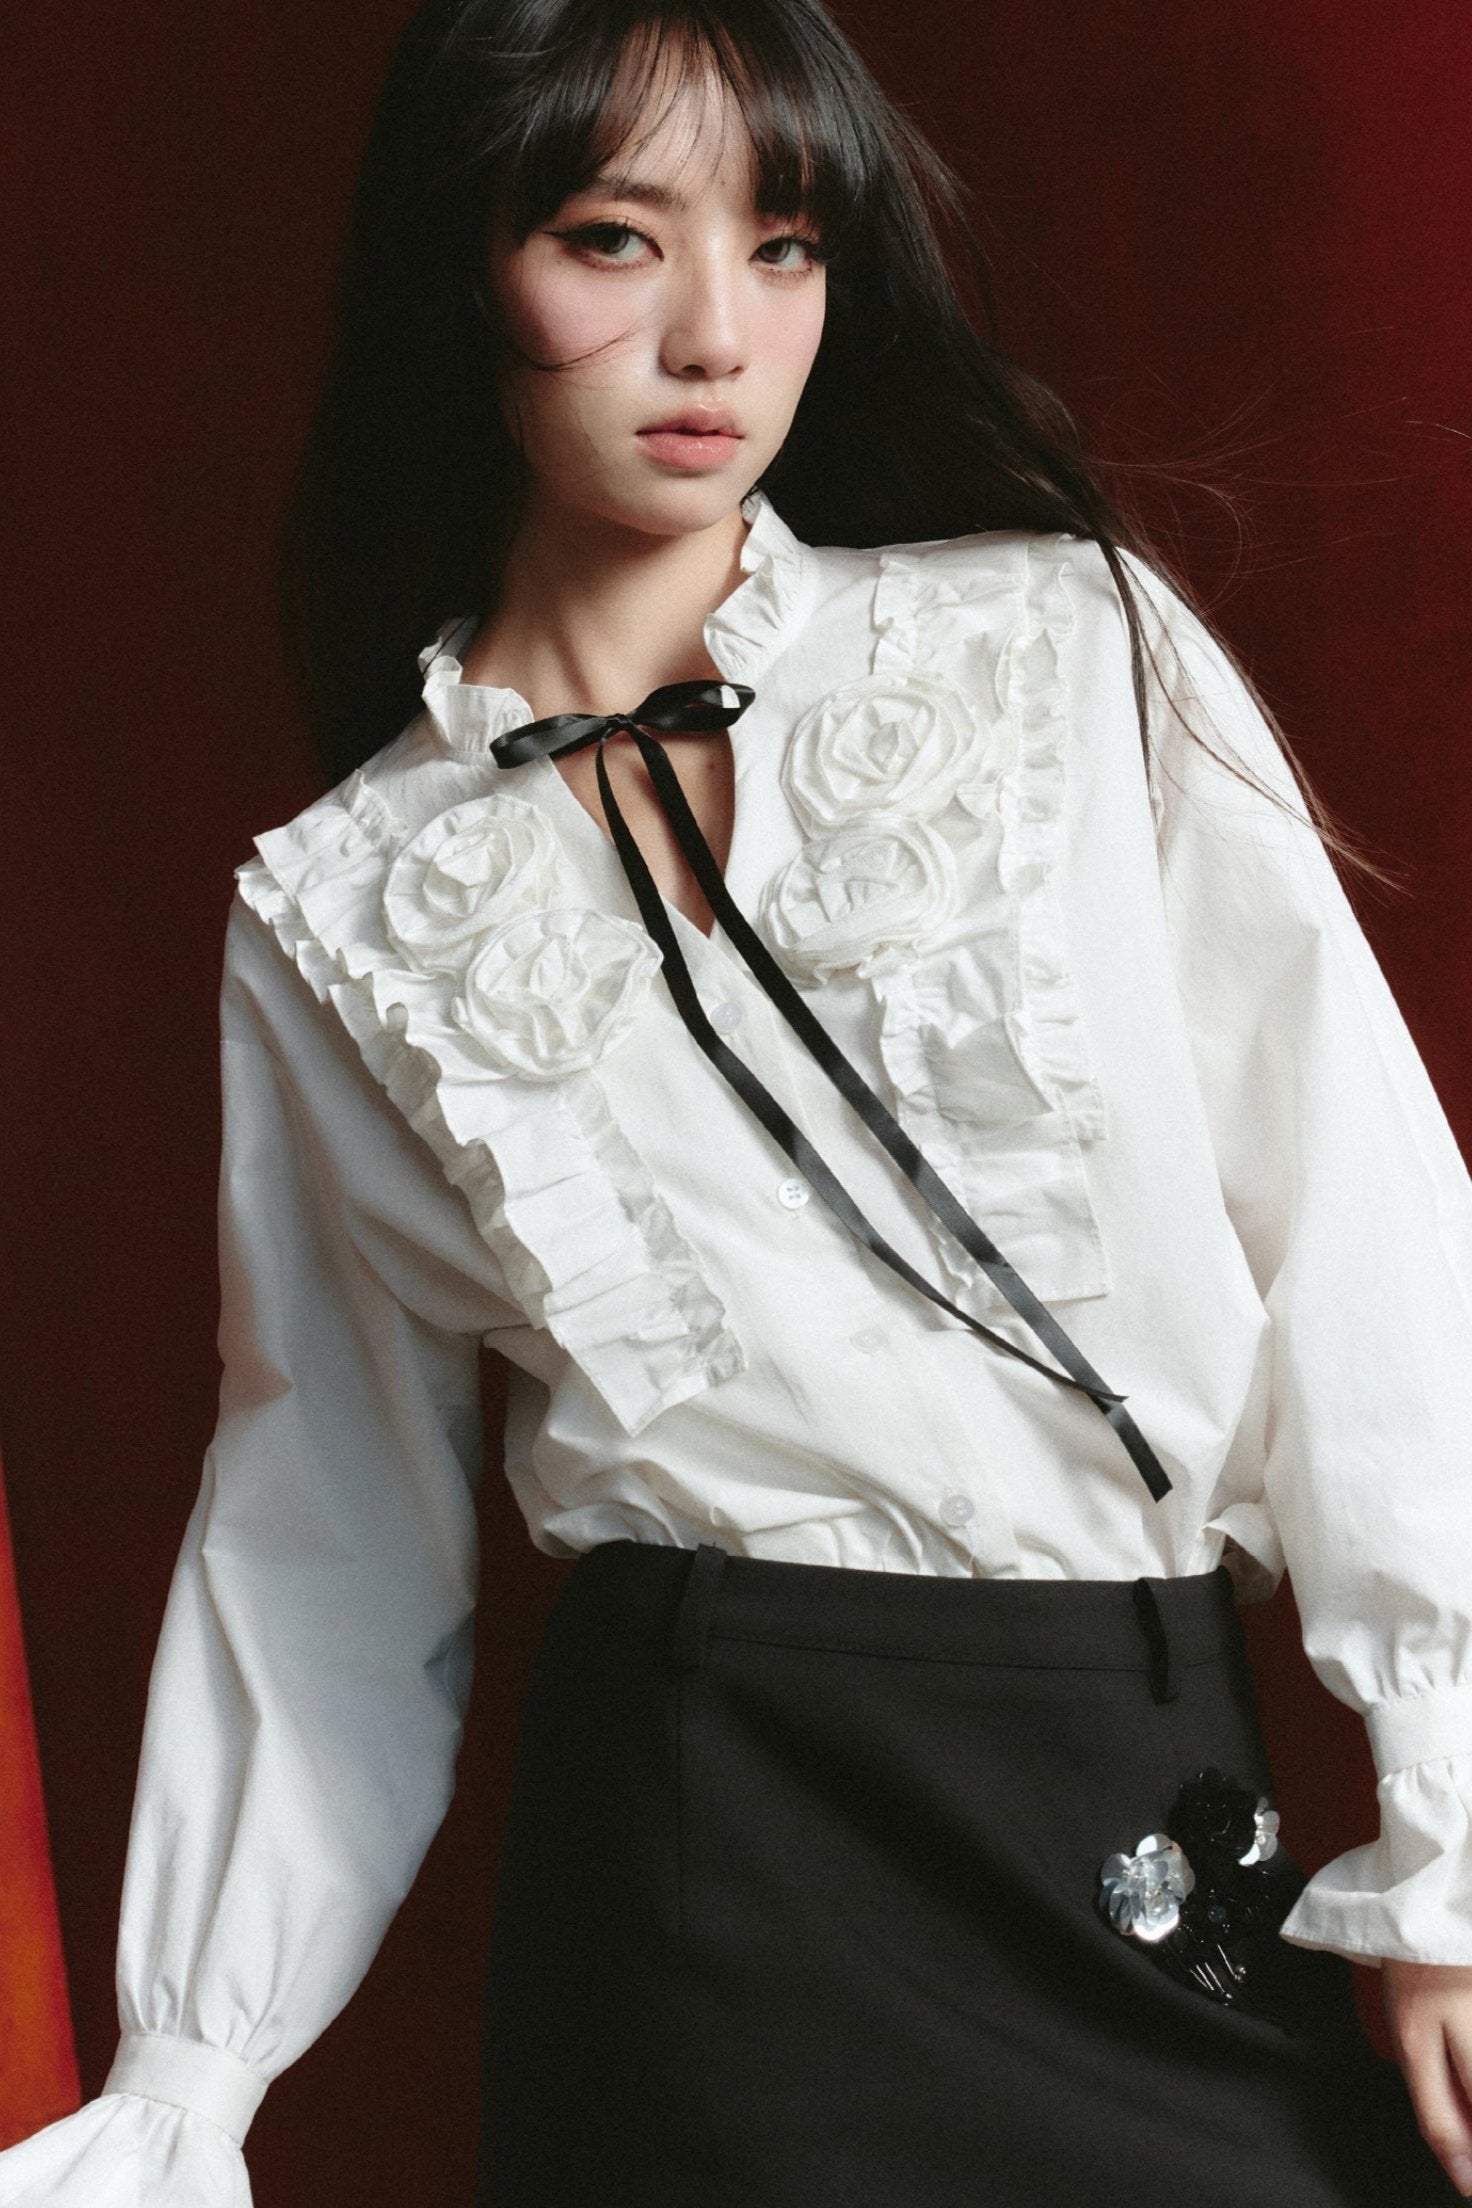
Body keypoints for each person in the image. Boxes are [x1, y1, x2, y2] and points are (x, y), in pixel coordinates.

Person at [3, 0, 1470, 2201]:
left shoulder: (1061, 646)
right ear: (462, 269)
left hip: (1145, 1786)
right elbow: (324, 1522)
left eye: (783, 245)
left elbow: (1367, 1227)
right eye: (613, 238)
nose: (714, 335)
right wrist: (188, 2080)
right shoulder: (348, 900)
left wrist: (1450, 1829)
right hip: (704, 1886)